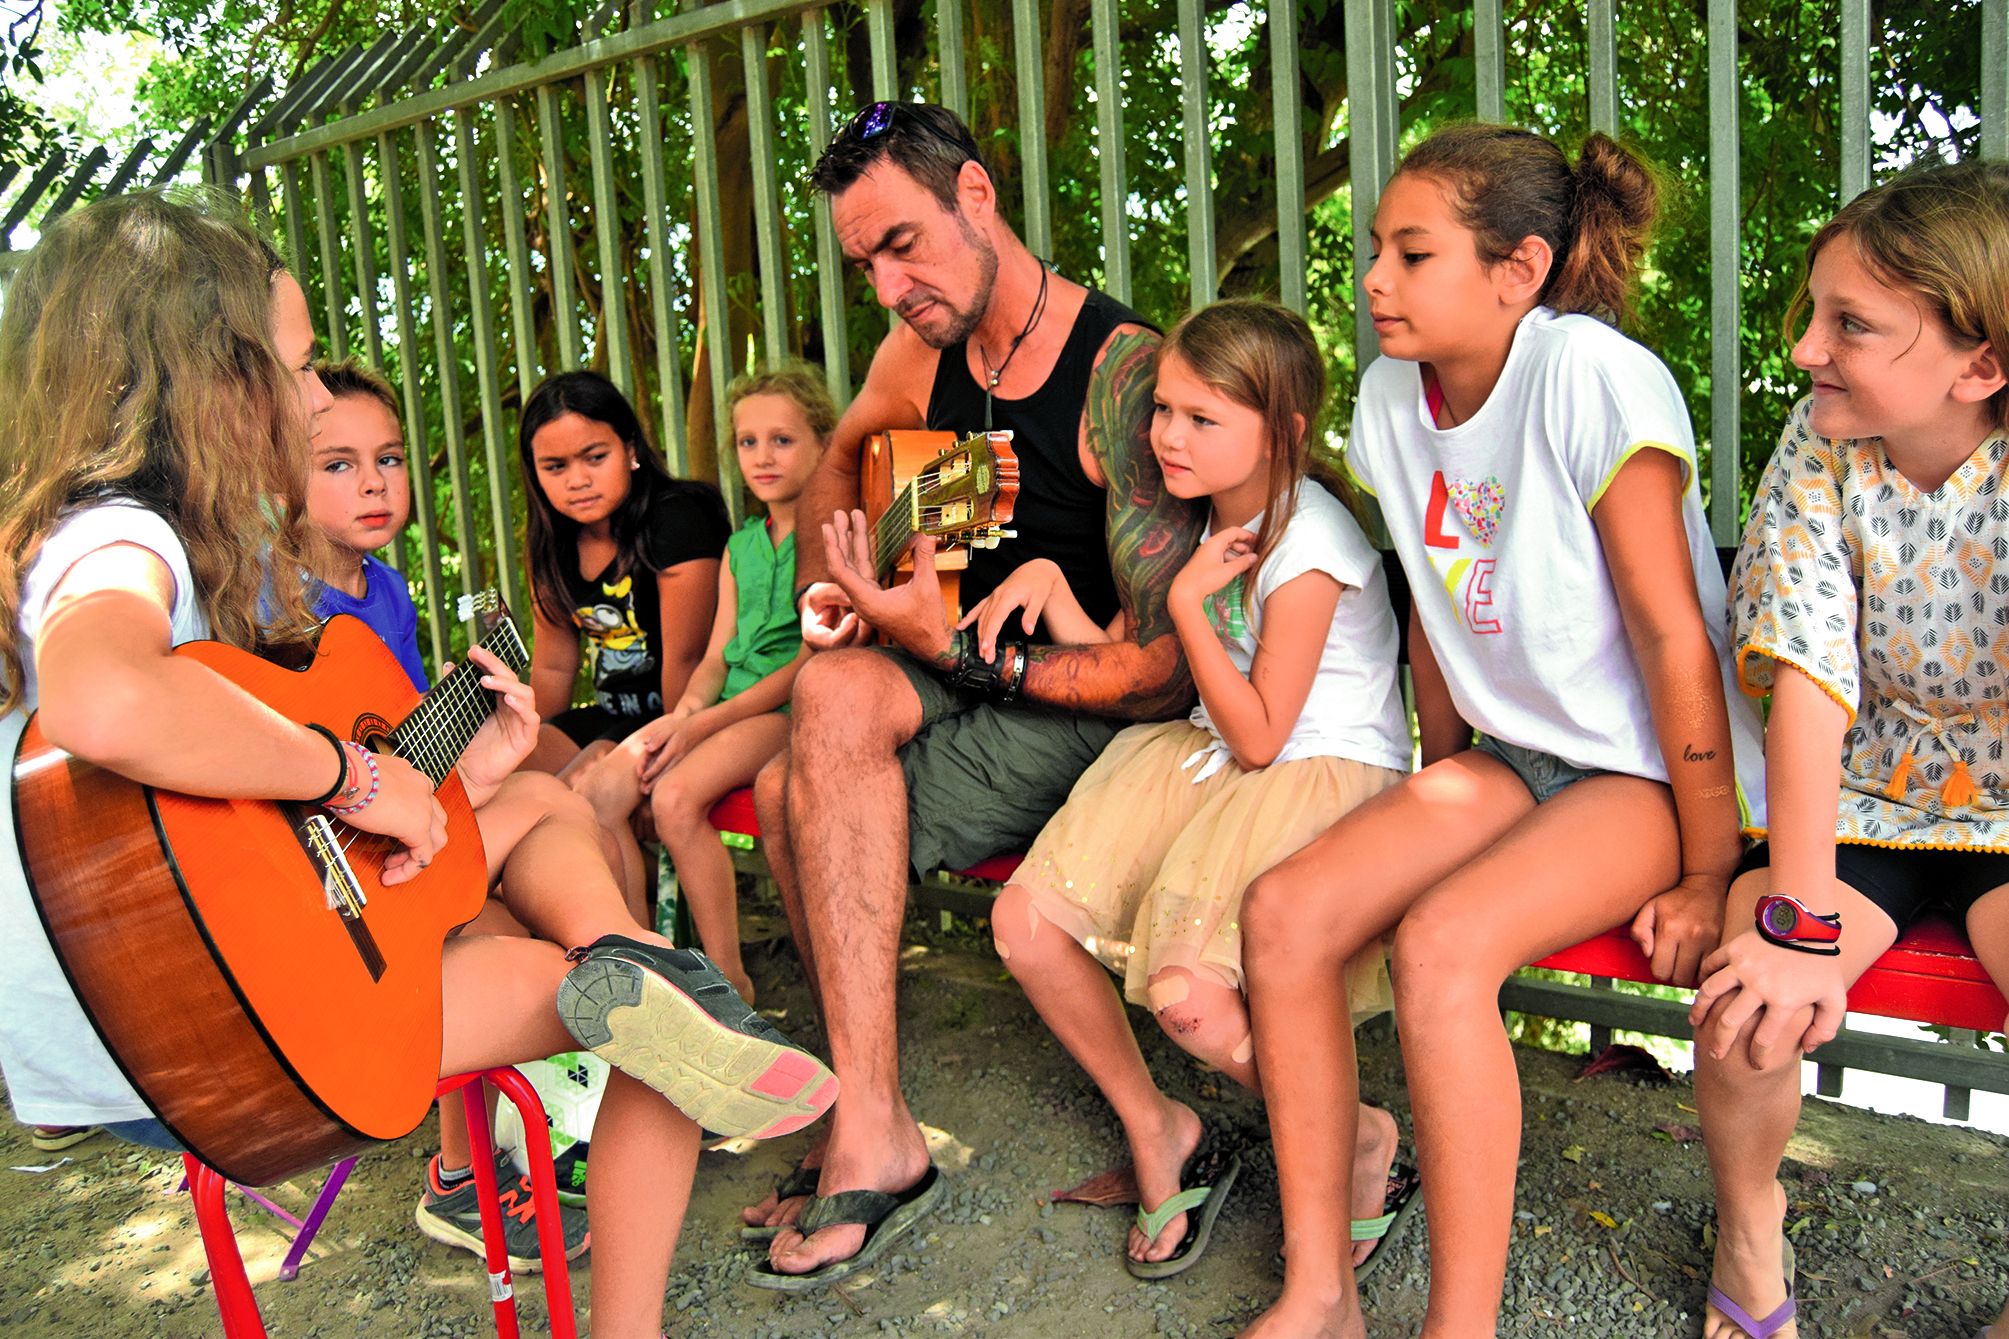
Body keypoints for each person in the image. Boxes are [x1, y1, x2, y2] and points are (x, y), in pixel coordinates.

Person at [0, 190, 832, 1339]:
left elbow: (216, 802)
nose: (306, 396)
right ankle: (650, 993)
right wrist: (348, 777)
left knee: (543, 809)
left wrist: (443, 775)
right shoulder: (118, 536)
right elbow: (105, 696)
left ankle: (630, 957)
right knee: (653, 1025)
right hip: (209, 1028)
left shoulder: (141, 540)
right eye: (291, 369)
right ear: (200, 371)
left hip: (223, 982)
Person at [1235, 125, 1767, 1339]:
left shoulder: (1583, 372)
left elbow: (1669, 635)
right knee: (1284, 914)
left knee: (1439, 948)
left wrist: (1702, 868)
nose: (1372, 279)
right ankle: (1320, 1288)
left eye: (1411, 255)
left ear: (1518, 270)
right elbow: (1430, 604)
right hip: (1505, 756)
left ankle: (1458, 1326)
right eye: (1374, 250)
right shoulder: (1383, 397)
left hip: (1639, 766)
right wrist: (1432, 778)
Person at [738, 101, 1211, 1288]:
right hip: (940, 645)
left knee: (788, 787)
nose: (889, 285)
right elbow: (841, 455)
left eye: (903, 243)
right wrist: (827, 594)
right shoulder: (923, 350)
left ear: (978, 198)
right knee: (827, 699)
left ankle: (863, 1119)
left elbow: (1158, 677)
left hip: (1070, 697)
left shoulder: (1124, 374)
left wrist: (950, 648)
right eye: (863, 265)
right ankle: (875, 1121)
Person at [988, 300, 1415, 1279]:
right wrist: (1054, 587)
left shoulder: (1308, 545)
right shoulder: (1208, 514)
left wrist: (1181, 596)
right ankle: (1158, 1126)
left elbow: (1265, 735)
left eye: (1200, 418)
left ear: (1285, 432)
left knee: (1186, 997)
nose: (1165, 436)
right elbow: (1159, 670)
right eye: (1163, 411)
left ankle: (1357, 1136)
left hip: (1313, 768)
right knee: (1024, 925)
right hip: (1211, 747)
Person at [1691, 160, 2009, 1339]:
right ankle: (1746, 1228)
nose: (1803, 350)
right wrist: (1795, 923)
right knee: (1744, 1004)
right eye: (1813, 313)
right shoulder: (1822, 444)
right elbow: (1808, 677)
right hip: (1860, 796)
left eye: (1851, 326)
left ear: (1979, 366)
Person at [569, 365, 833, 1004]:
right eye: (747, 442)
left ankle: (729, 983)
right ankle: (636, 964)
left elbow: (803, 665)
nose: (761, 457)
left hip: (790, 707)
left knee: (675, 796)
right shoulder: (742, 546)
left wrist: (700, 726)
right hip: (725, 707)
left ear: (824, 444)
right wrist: (678, 716)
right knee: (601, 788)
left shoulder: (830, 535)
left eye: (782, 440)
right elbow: (716, 657)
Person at [518, 369, 730, 776]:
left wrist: (671, 762)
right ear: (535, 472)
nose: (577, 480)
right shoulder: (552, 546)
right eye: (555, 467)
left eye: (595, 457)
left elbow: (686, 658)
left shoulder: (679, 519)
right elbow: (553, 668)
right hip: (611, 715)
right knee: (516, 780)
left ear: (630, 448)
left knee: (582, 789)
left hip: (686, 709)